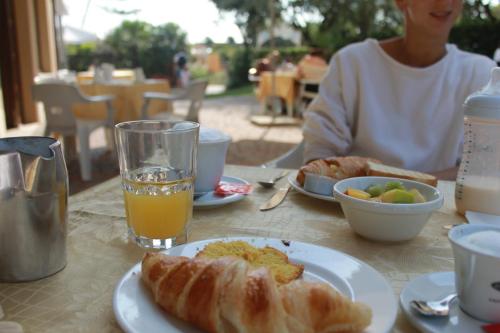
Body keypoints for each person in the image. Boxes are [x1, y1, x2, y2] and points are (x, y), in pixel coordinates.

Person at [303, 0, 496, 180]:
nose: (445, 2)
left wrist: (402, 191)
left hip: (440, 210)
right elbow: (319, 154)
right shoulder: (352, 63)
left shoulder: (480, 73)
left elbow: (487, 165)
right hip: (353, 207)